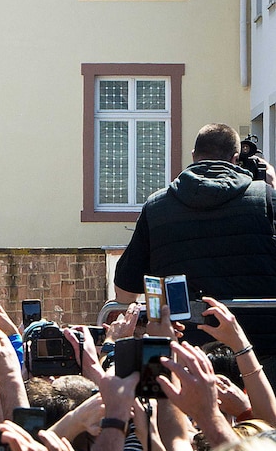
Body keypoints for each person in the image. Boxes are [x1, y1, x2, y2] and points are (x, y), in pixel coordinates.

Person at [114, 123, 276, 369]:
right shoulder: (266, 198)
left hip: (181, 356)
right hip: (260, 356)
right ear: (235, 159)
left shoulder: (156, 205)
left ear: (193, 156)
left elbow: (124, 294)